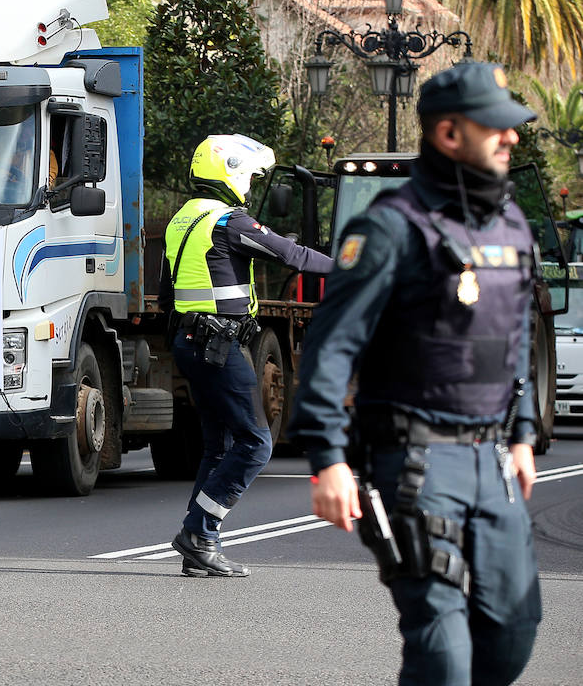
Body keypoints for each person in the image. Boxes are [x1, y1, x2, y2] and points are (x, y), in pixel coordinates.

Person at [289, 62, 541, 685]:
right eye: (496, 127)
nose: (511, 137)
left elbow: (514, 336)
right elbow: (331, 346)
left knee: (511, 634)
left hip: (494, 463)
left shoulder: (511, 223)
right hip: (416, 462)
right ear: (450, 135)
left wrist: (523, 434)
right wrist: (328, 459)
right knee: (443, 653)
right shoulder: (389, 228)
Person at [160, 134, 332, 576]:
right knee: (256, 443)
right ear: (231, 171)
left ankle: (198, 543)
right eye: (251, 176)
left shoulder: (183, 219)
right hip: (218, 344)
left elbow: (167, 294)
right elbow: (291, 255)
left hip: (192, 340)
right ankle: (199, 532)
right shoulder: (228, 222)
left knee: (219, 446)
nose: (252, 185)